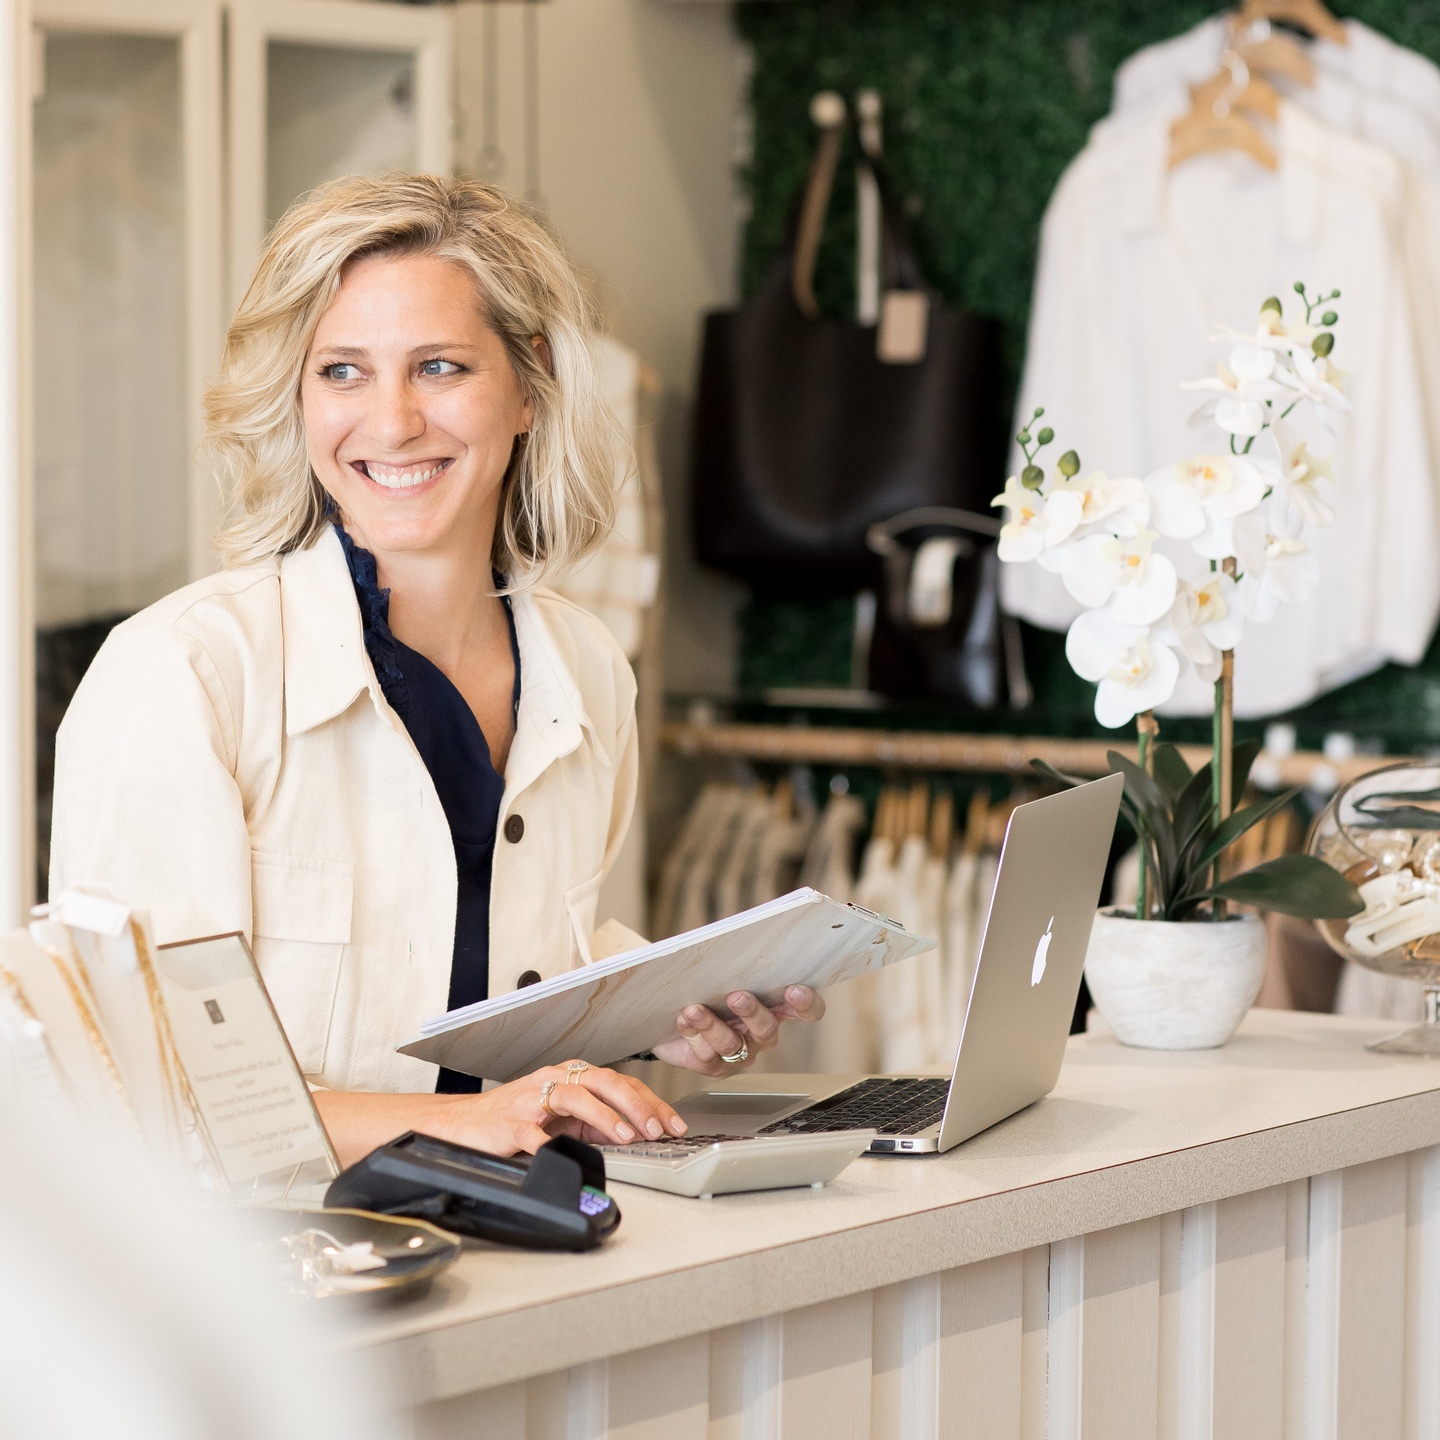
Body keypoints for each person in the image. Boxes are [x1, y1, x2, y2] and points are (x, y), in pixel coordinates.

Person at [50, 174, 824, 1165]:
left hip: (520, 1237)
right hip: (276, 1291)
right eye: (341, 372)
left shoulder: (587, 668)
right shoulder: (184, 675)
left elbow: (494, 960)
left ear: (530, 388)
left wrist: (657, 1012)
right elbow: (136, 1087)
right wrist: (467, 1123)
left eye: (440, 367)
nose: (391, 421)